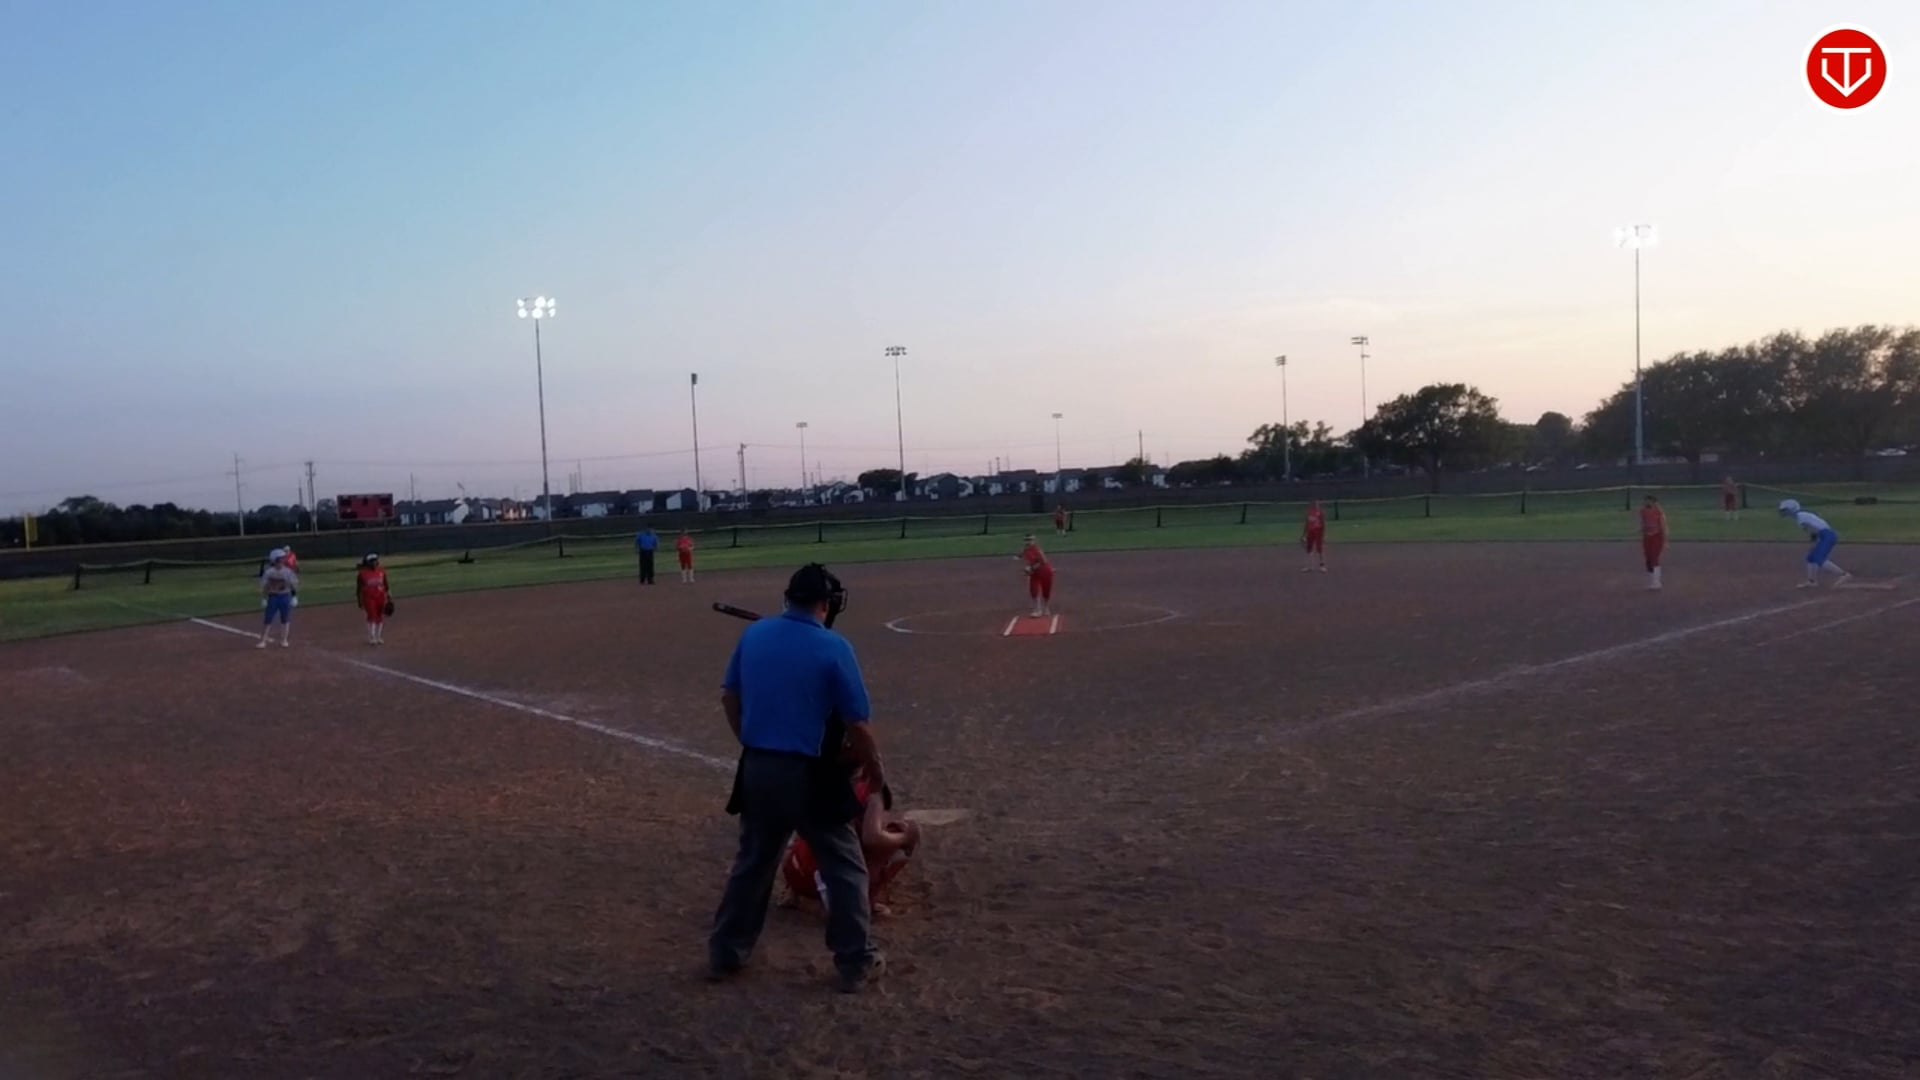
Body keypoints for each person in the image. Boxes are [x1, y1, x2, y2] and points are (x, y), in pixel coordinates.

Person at [709, 564, 883, 993]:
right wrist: (875, 767)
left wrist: (750, 740)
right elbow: (858, 724)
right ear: (827, 604)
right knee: (844, 866)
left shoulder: (755, 635)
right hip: (811, 775)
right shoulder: (834, 646)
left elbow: (730, 696)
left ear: (788, 598)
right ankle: (855, 961)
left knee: (753, 863)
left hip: (758, 767)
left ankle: (726, 953)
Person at [782, 765, 921, 916]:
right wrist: (906, 837)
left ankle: (796, 894)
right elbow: (872, 839)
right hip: (828, 878)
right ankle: (865, 902)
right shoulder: (872, 790)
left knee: (809, 836)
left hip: (796, 871)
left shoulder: (822, 778)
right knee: (896, 839)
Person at [1778, 499, 1852, 588]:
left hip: (1827, 535)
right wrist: (1815, 541)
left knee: (1819, 558)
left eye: (1785, 510)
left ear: (1792, 509)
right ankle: (1812, 581)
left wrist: (1814, 541)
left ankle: (1844, 574)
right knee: (1811, 557)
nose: (1783, 512)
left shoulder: (1800, 516)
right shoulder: (1801, 515)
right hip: (1825, 535)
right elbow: (1814, 529)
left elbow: (1812, 530)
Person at [257, 548, 299, 649]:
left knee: (285, 619)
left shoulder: (287, 572)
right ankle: (263, 641)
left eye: (283, 558)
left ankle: (284, 640)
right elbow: (265, 586)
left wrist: (294, 596)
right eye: (281, 558)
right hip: (273, 597)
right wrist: (264, 598)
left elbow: (292, 584)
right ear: (275, 560)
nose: (283, 560)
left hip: (285, 596)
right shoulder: (269, 572)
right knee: (268, 619)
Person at [355, 554, 393, 645]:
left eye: (375, 560)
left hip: (380, 597)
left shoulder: (381, 571)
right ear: (368, 563)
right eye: (372, 561)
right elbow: (359, 589)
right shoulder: (362, 574)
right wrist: (359, 601)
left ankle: (378, 637)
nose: (374, 562)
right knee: (372, 615)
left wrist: (389, 595)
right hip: (368, 598)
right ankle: (372, 637)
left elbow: (386, 585)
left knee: (379, 616)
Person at [1020, 533, 1054, 617]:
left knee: (1046, 590)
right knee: (1033, 590)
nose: (1028, 542)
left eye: (1030, 540)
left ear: (1033, 541)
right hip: (1035, 572)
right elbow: (1028, 560)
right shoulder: (1025, 550)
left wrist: (1031, 568)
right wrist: (1028, 569)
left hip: (1045, 571)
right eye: (1026, 540)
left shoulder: (1037, 550)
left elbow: (1043, 561)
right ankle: (1038, 609)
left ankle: (1046, 607)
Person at [1639, 494, 1668, 591]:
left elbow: (1664, 526)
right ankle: (1652, 581)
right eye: (1645, 501)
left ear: (1654, 502)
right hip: (1647, 537)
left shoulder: (1659, 512)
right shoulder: (1643, 511)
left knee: (1654, 558)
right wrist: (1640, 530)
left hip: (1657, 537)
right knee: (1648, 559)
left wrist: (1665, 541)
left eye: (1649, 501)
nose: (1646, 503)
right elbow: (1643, 523)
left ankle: (1657, 582)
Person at [1301, 500, 1328, 573]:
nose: (1316, 505)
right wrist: (1303, 534)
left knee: (1319, 549)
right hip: (1310, 532)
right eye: (1314, 504)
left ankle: (1322, 566)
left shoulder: (1320, 512)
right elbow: (1307, 524)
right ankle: (1310, 566)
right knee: (1309, 548)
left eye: (1317, 504)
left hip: (1318, 531)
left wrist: (1324, 535)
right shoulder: (1309, 513)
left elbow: (1323, 524)